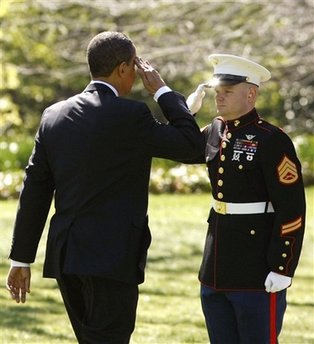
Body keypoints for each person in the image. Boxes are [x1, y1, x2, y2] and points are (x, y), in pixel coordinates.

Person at [6, 31, 204, 343]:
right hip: (112, 258)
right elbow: (192, 146)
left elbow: (35, 190)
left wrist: (21, 259)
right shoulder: (132, 115)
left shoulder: (53, 115)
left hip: (66, 258)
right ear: (124, 68)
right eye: (135, 69)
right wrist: (163, 91)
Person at [186, 54, 306, 344]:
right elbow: (179, 149)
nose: (219, 98)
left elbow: (291, 208)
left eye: (227, 92)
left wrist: (282, 266)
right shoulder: (214, 130)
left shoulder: (271, 139)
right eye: (217, 92)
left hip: (256, 268)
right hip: (216, 266)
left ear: (251, 93)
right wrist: (184, 116)